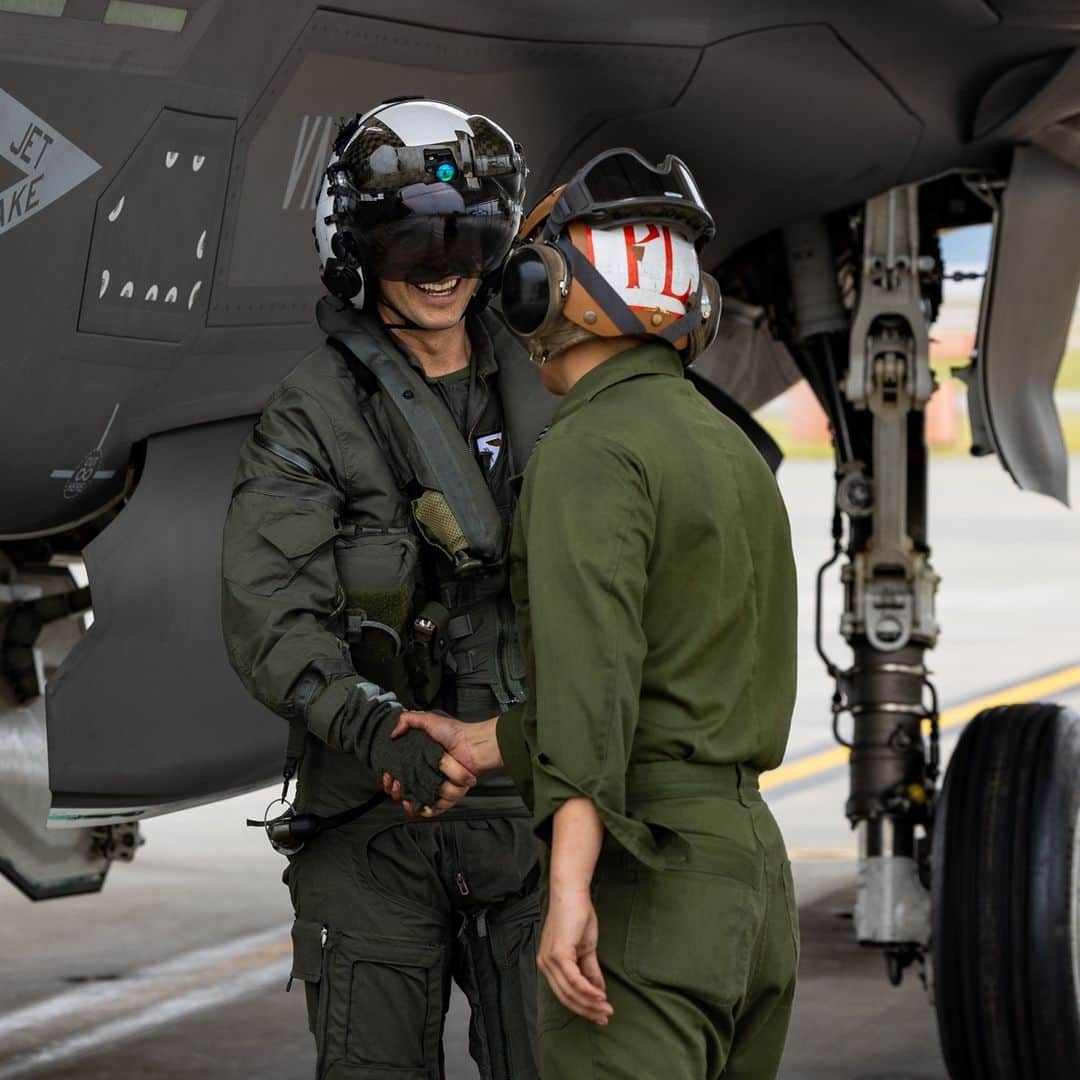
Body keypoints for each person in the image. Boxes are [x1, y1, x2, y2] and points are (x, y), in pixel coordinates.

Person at [391, 148, 800, 1079]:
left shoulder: (588, 453)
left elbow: (596, 689)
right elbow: (679, 684)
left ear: (557, 291)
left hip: (643, 878)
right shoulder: (732, 450)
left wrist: (571, 886)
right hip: (751, 887)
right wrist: (489, 741)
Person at [220, 98, 555, 1080]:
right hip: (375, 823)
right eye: (409, 240)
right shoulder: (314, 413)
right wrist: (378, 731)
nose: (440, 265)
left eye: (466, 235)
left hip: (535, 819)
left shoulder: (556, 384)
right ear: (359, 249)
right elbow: (270, 615)